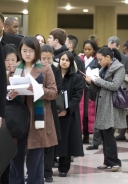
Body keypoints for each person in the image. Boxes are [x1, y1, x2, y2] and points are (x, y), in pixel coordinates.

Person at [8, 36, 58, 184]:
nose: (27, 54)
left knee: (36, 158)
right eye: (24, 50)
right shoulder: (16, 68)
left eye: (30, 51)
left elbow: (54, 92)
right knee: (16, 156)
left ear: (36, 51)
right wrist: (11, 95)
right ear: (20, 51)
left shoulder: (45, 67)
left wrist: (38, 89)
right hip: (18, 118)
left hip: (38, 117)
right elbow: (9, 91)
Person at [84, 47, 126, 172]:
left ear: (108, 57)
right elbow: (98, 88)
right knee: (103, 133)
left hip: (111, 105)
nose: (99, 62)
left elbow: (114, 86)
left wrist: (98, 80)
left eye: (100, 59)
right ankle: (107, 161)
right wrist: (90, 82)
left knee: (108, 134)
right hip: (102, 103)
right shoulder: (104, 68)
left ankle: (115, 162)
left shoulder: (119, 68)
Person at [54, 51, 84, 177]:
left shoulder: (76, 78)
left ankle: (63, 168)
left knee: (66, 141)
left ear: (71, 62)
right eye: (62, 59)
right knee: (53, 141)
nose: (64, 62)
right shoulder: (54, 75)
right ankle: (48, 167)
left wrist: (66, 110)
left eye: (67, 60)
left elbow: (77, 97)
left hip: (69, 114)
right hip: (54, 113)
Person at [41, 44, 62, 182]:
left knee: (49, 141)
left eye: (49, 58)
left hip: (51, 107)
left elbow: (58, 89)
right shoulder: (35, 68)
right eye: (44, 58)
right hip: (35, 107)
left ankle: (47, 172)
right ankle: (34, 170)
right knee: (36, 142)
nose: (46, 61)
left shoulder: (55, 69)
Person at [0, 44, 18, 184]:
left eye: (14, 60)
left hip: (12, 121)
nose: (11, 63)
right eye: (8, 60)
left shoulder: (18, 74)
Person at [79, 40, 100, 144]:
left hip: (92, 88)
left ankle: (96, 136)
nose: (87, 51)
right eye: (85, 49)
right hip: (83, 89)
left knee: (91, 112)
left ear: (94, 50)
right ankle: (85, 135)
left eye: (89, 49)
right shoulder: (80, 59)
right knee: (83, 113)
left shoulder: (97, 61)